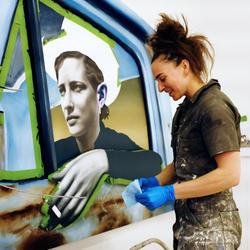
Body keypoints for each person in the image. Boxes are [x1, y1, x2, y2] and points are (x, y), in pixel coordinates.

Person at [135, 14, 242, 249]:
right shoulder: (185, 111)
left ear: (184, 66)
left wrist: (169, 193)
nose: (160, 88)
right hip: (189, 229)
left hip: (214, 233)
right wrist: (155, 180)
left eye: (162, 79)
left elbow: (230, 174)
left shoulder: (214, 107)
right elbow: (185, 163)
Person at [44, 51, 162, 230]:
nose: (67, 103)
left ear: (100, 96)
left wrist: (101, 160)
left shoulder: (116, 142)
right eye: (62, 90)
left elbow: (153, 162)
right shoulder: (56, 151)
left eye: (77, 88)